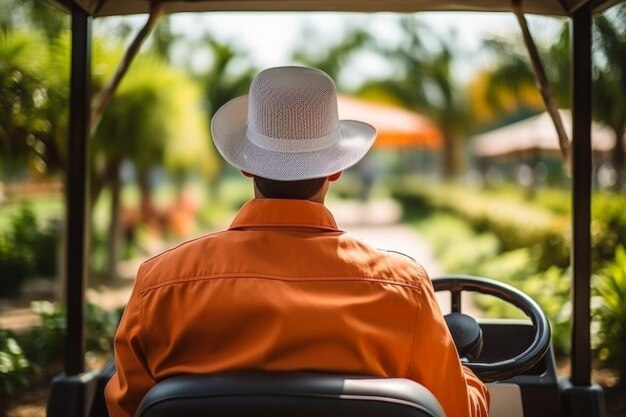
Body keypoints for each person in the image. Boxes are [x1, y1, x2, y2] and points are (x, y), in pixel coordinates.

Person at [105, 66, 490, 417]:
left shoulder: (159, 286)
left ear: (244, 165)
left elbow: (125, 409)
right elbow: (457, 412)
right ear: (337, 169)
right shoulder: (403, 289)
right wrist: (467, 375)